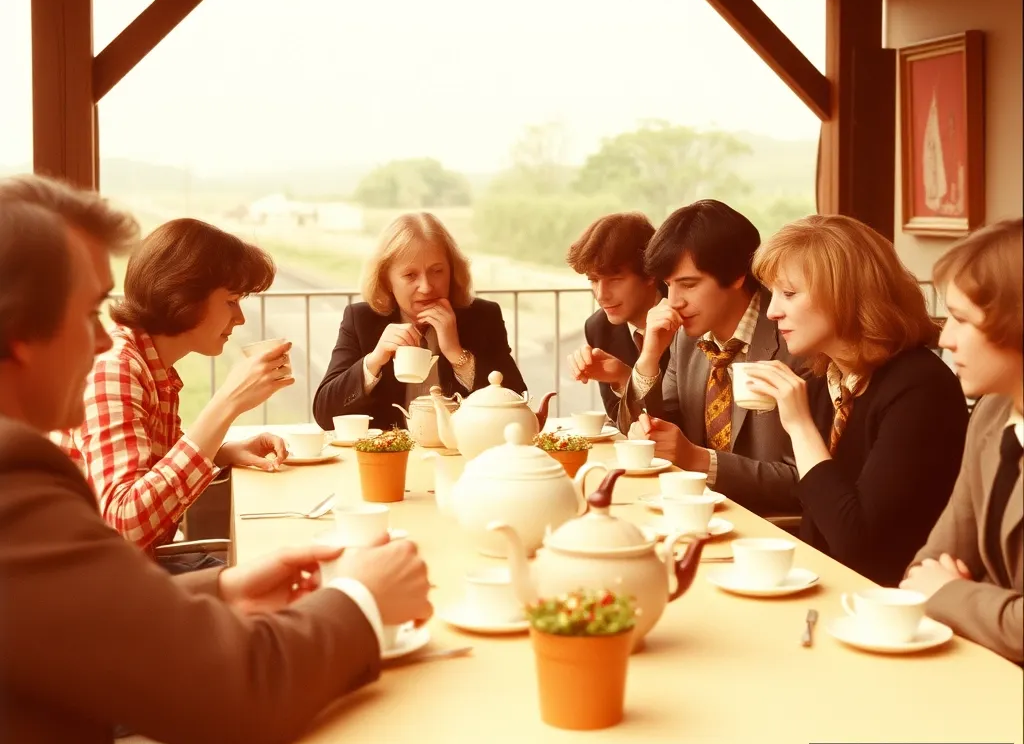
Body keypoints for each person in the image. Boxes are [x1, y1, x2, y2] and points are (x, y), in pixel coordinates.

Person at [0, 175, 433, 744]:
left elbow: (79, 606)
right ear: (21, 332)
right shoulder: (21, 471)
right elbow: (239, 690)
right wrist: (363, 600)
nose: (102, 337)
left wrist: (223, 588)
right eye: (90, 311)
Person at [55, 216, 295, 564]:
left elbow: (151, 465)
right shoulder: (115, 367)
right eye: (231, 301)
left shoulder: (151, 365)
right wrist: (227, 403)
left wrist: (222, 452)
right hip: (93, 582)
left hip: (133, 568)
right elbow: (124, 524)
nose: (240, 318)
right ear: (184, 294)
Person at [744, 214, 968, 586]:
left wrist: (799, 425)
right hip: (829, 588)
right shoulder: (827, 377)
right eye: (771, 294)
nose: (772, 311)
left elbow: (858, 543)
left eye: (789, 293)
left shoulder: (920, 388)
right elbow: (817, 520)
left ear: (844, 294)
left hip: (892, 608)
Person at [616, 200, 802, 516]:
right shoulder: (687, 340)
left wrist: (698, 460)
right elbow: (657, 432)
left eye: (688, 284)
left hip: (772, 530)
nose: (673, 302)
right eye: (667, 286)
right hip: (692, 514)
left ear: (737, 275)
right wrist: (649, 358)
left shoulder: (794, 339)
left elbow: (804, 482)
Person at [901, 218, 1022, 663]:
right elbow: (924, 571)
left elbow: (939, 587)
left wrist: (954, 595)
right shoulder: (991, 414)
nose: (945, 338)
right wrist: (954, 592)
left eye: (960, 319)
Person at [313, 212, 527, 432]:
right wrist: (374, 361)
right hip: (390, 457)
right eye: (410, 275)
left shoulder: (482, 316)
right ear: (387, 280)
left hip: (461, 455)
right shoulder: (361, 319)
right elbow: (324, 414)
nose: (426, 287)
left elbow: (519, 406)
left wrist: (457, 355)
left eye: (437, 271)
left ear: (452, 272)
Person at [564, 212, 667, 421]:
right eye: (593, 280)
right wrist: (621, 378)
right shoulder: (598, 327)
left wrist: (626, 377)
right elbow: (622, 423)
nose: (601, 295)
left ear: (650, 274)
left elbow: (685, 424)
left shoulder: (688, 317)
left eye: (615, 279)